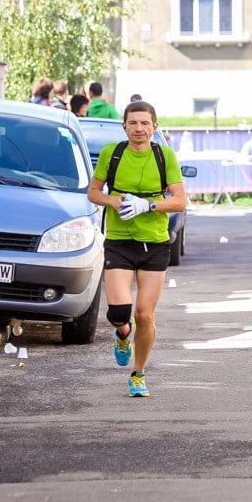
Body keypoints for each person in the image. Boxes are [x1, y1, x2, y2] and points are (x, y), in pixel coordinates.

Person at [87, 100, 186, 397]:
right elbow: (93, 192)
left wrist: (149, 205)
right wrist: (114, 201)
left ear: (155, 126)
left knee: (144, 314)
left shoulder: (164, 155)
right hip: (119, 240)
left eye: (145, 123)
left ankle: (138, 373)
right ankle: (122, 334)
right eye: (133, 123)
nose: (139, 129)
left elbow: (180, 200)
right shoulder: (112, 153)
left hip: (154, 243)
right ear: (125, 126)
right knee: (119, 312)